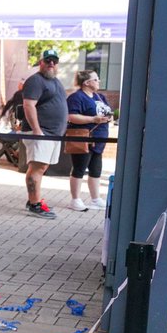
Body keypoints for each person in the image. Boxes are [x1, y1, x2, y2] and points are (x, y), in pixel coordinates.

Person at [21, 48, 68, 219]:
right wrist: (37, 130)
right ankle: (35, 204)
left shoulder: (55, 81)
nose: (51, 64)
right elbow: (28, 105)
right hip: (42, 132)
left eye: (54, 61)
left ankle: (34, 199)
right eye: (47, 61)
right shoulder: (35, 81)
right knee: (37, 167)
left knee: (42, 167)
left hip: (53, 133)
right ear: (41, 62)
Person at [65, 69, 113, 211]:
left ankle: (96, 198)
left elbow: (107, 111)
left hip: (99, 138)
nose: (99, 82)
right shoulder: (76, 97)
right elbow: (71, 116)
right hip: (84, 138)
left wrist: (108, 117)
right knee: (79, 168)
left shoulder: (99, 96)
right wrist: (93, 119)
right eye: (96, 79)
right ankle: (75, 199)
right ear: (86, 82)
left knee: (96, 169)